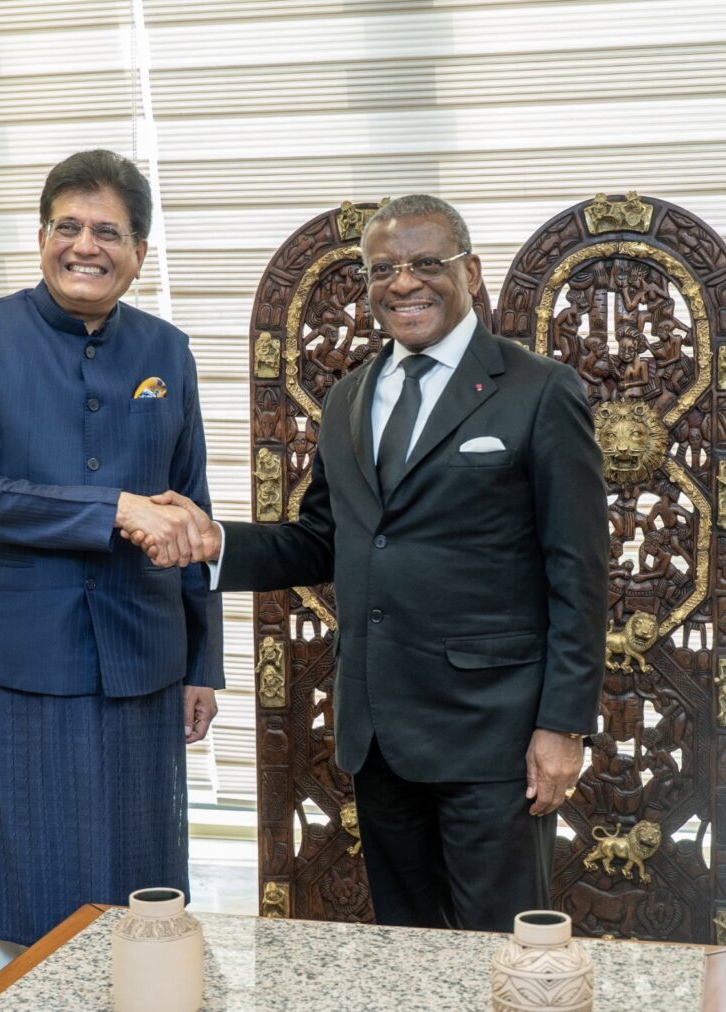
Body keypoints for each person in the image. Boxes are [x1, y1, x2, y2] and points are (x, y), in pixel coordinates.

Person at [136, 194, 608, 932]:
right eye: (383, 269)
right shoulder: (349, 398)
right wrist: (215, 544)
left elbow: (579, 572)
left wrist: (564, 727)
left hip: (496, 737)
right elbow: (323, 539)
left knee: (501, 953)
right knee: (405, 948)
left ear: (471, 273)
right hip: (380, 733)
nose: (403, 282)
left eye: (427, 263)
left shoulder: (539, 390)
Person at [0, 149, 223, 984]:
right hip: (7, 670)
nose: (86, 246)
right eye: (68, 226)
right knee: (13, 904)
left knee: (138, 901)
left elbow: (192, 512)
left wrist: (203, 663)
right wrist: (116, 509)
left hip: (141, 666)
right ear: (41, 237)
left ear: (139, 252)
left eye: (109, 232)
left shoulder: (168, 350)